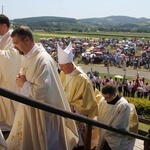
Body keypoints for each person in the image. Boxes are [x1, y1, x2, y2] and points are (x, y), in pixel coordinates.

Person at [6, 26, 78, 150]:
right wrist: (21, 78)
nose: (15, 47)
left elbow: (41, 91)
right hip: (30, 109)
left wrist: (23, 84)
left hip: (43, 114)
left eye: (16, 43)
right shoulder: (29, 56)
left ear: (27, 40)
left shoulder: (42, 60)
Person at [57, 42, 98, 149]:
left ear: (70, 64)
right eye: (60, 66)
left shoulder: (83, 79)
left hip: (75, 115)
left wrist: (74, 106)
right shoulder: (62, 73)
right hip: (63, 111)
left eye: (62, 66)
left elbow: (89, 103)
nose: (61, 69)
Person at [0, 14, 22, 132]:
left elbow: (12, 56)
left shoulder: (13, 37)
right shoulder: (4, 37)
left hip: (11, 77)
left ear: (4, 25)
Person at [97, 83, 130, 150]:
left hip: (114, 139)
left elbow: (119, 125)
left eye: (107, 97)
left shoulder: (123, 105)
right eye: (104, 97)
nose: (105, 99)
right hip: (103, 136)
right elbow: (99, 117)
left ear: (115, 94)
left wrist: (106, 136)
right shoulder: (103, 101)